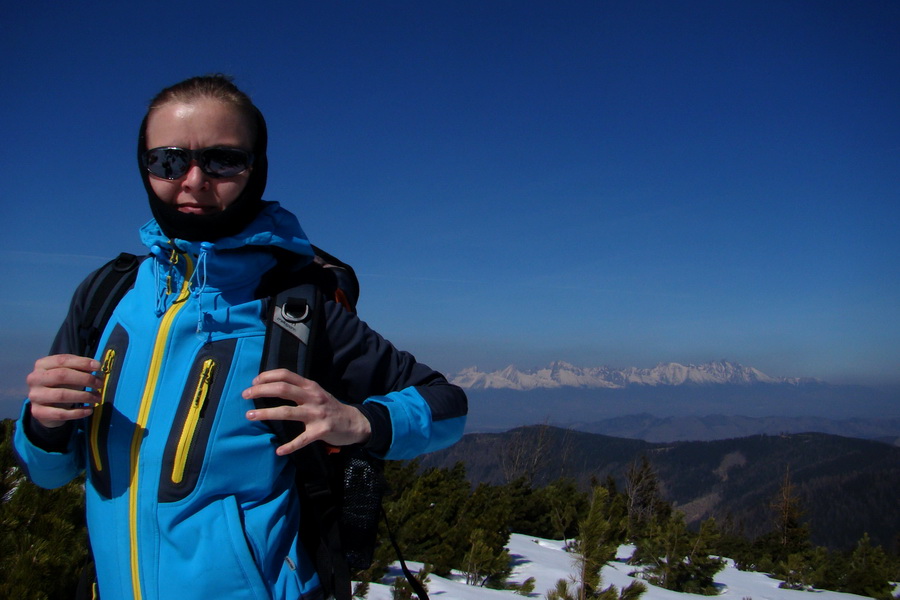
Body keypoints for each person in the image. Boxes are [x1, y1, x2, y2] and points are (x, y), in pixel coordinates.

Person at [13, 74, 467, 600]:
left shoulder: (294, 305)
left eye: (224, 161)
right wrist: (42, 426)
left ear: (258, 168)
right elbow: (47, 473)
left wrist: (360, 421)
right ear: (144, 167)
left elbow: (447, 405)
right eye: (168, 160)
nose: (194, 181)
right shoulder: (106, 295)